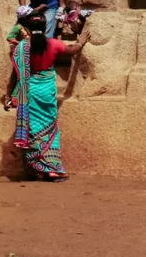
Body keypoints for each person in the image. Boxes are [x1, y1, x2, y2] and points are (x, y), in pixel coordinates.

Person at [10, 12, 89, 181]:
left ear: (29, 29)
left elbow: (16, 73)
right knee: (50, 128)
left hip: (30, 91)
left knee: (33, 129)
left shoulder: (22, 47)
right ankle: (52, 168)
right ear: (46, 27)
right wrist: (81, 41)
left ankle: (36, 168)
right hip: (46, 91)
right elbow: (72, 50)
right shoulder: (53, 44)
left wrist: (11, 94)